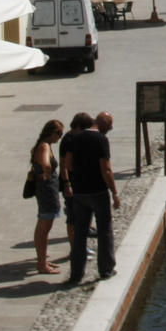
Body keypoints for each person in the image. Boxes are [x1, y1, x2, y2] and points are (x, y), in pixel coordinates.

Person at [60, 111, 120, 284]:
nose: (109, 130)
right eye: (109, 126)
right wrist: (115, 192)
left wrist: (81, 174)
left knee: (80, 233)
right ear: (105, 124)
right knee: (104, 230)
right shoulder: (101, 140)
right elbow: (106, 169)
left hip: (79, 191)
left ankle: (76, 274)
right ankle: (106, 269)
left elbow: (68, 164)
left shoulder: (76, 138)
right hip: (98, 191)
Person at [29, 119, 64, 273]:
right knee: (44, 226)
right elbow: (46, 163)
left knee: (45, 226)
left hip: (46, 189)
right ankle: (42, 264)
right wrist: (48, 175)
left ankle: (43, 260)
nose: (60, 137)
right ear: (51, 133)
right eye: (59, 133)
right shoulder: (44, 146)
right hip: (47, 190)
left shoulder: (43, 145)